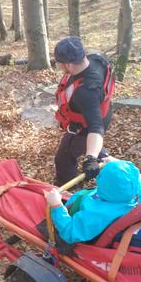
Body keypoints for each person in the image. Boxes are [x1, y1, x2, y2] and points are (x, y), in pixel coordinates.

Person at [53, 37, 115, 186]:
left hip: (86, 125)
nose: (58, 66)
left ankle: (67, 194)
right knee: (91, 149)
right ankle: (105, 161)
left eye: (59, 63)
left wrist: (90, 158)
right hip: (104, 112)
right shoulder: (96, 59)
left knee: (64, 158)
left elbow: (96, 126)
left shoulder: (85, 92)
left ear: (68, 64)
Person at [44, 160, 141, 244]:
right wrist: (114, 164)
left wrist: (57, 205)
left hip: (72, 217)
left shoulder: (98, 214)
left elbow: (71, 233)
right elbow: (136, 177)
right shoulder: (139, 192)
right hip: (88, 200)